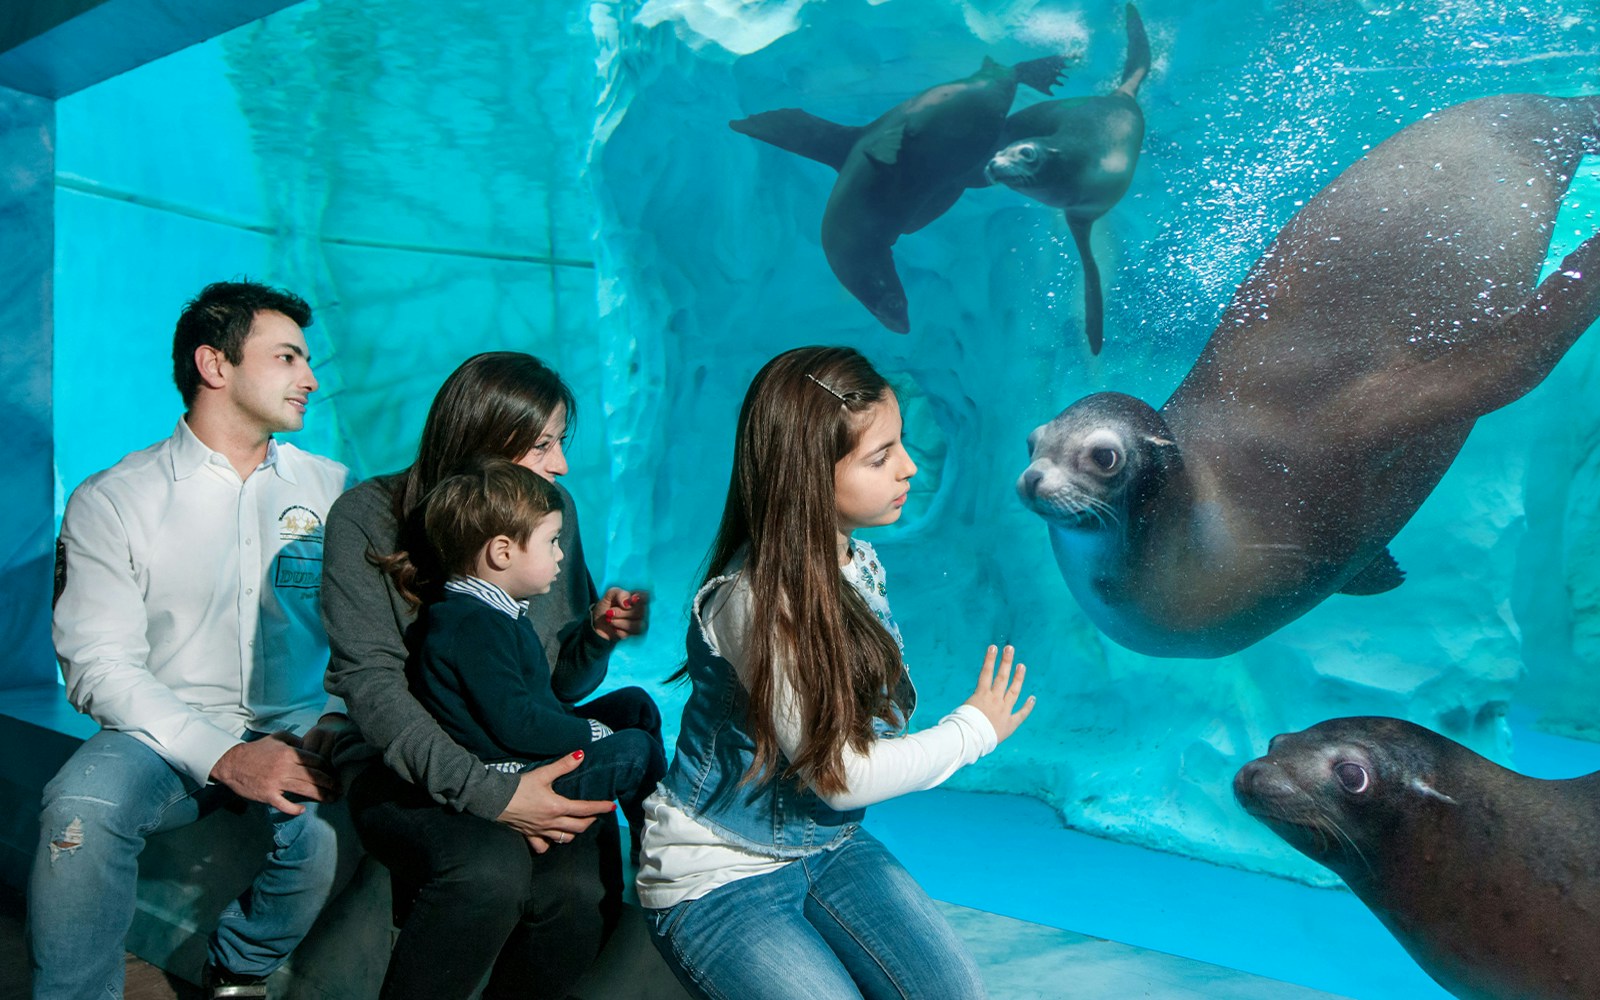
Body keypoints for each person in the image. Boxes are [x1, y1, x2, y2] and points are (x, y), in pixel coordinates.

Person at [637, 346, 1035, 1000]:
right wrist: (973, 731)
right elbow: (839, 777)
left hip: (829, 849)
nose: (909, 468)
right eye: (881, 457)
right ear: (808, 474)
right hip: (719, 870)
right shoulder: (754, 602)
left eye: (900, 444)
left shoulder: (857, 563)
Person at [32, 280, 355, 1000]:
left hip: (306, 727)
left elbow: (367, 636)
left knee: (319, 838)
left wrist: (338, 714)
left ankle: (238, 972)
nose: (310, 379)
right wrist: (228, 757)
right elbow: (98, 667)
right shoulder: (115, 498)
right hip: (160, 733)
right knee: (81, 810)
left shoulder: (337, 490)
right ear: (215, 365)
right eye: (288, 358)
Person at [321, 352, 647, 1000]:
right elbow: (378, 691)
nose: (560, 465)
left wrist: (595, 636)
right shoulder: (365, 516)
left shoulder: (553, 511)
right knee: (486, 871)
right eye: (543, 444)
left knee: (580, 899)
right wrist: (493, 795)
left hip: (522, 748)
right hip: (407, 764)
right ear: (482, 442)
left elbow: (555, 685)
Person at [402, 459, 665, 860]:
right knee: (635, 751)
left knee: (634, 706)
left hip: (526, 748)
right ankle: (663, 853)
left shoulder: (496, 613)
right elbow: (518, 724)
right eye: (552, 541)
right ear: (503, 552)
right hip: (516, 774)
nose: (561, 555)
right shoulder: (474, 627)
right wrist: (593, 734)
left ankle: (648, 838)